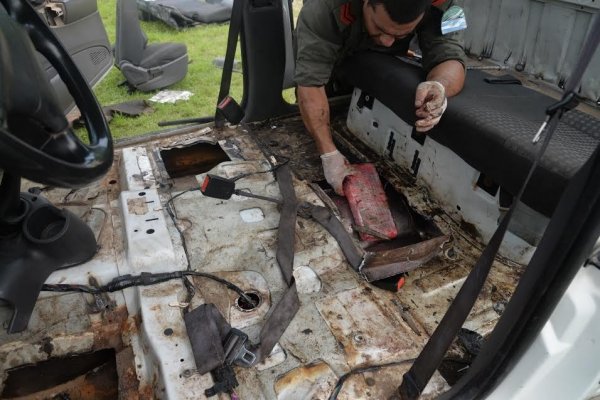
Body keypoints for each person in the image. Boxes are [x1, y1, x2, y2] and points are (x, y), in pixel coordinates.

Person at [294, 0, 466, 195]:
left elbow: (451, 55)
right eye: (380, 28)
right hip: (334, 59)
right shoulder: (322, 8)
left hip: (383, 59)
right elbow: (311, 84)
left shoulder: (444, 4)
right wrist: (329, 154)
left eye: (400, 34)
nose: (387, 40)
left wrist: (440, 85)